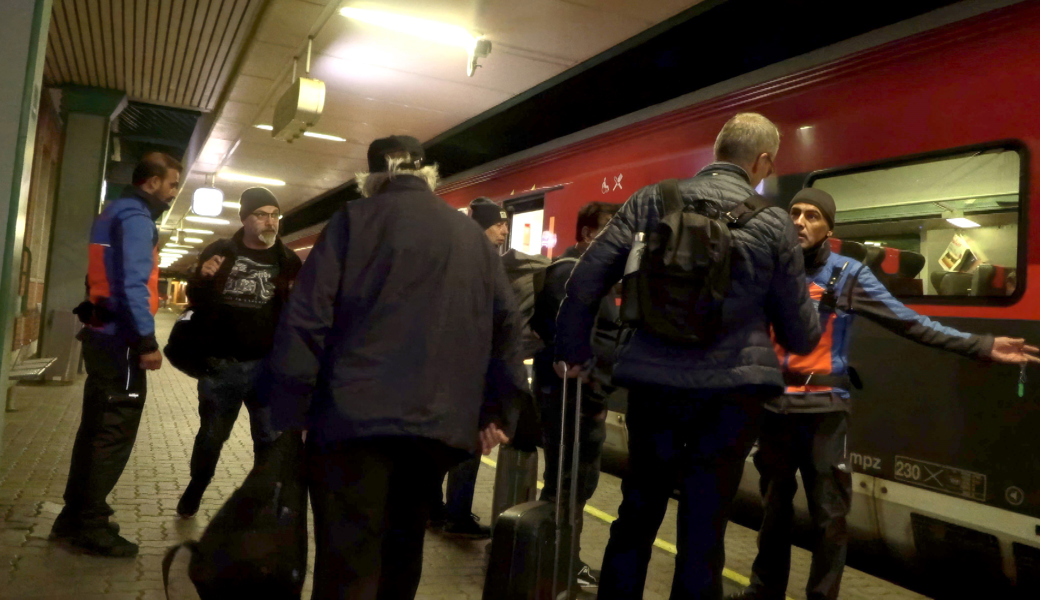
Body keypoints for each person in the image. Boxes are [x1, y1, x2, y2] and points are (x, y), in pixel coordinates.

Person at [555, 113, 822, 598]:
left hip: (655, 388)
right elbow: (801, 336)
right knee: (705, 526)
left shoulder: (651, 199)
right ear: (761, 161)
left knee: (637, 510)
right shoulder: (773, 222)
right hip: (730, 398)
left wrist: (575, 354)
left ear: (718, 149)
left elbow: (585, 282)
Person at [729, 188, 1040, 600]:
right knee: (774, 515)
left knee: (830, 518)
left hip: (824, 413)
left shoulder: (849, 275)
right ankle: (762, 593)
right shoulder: (769, 271)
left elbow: (911, 323)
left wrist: (981, 345)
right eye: (795, 213)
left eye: (813, 216)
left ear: (829, 228)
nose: (801, 222)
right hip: (773, 412)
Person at [256, 135, 523, 600]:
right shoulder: (469, 236)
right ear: (428, 176)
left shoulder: (352, 222)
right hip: (436, 427)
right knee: (404, 547)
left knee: (347, 556)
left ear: (370, 181)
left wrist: (294, 409)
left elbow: (307, 316)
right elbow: (508, 323)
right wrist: (497, 411)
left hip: (352, 422)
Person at [50, 152, 182, 557]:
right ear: (152, 182)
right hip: (121, 340)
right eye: (172, 184)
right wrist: (146, 342)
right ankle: (90, 524)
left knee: (95, 428)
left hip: (101, 332)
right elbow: (133, 284)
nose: (174, 192)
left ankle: (75, 515)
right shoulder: (137, 220)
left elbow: (101, 277)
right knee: (112, 431)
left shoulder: (113, 212)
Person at [175, 187, 302, 518]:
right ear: (244, 218)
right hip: (223, 365)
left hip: (268, 367)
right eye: (261, 214)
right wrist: (200, 278)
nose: (270, 221)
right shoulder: (221, 250)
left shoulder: (287, 260)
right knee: (212, 436)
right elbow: (197, 297)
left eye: (275, 214)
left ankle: (262, 502)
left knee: (269, 441)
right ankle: (197, 486)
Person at [530, 201, 621, 590]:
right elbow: (578, 344)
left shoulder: (574, 273)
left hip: (573, 398)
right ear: (586, 234)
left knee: (572, 485)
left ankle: (562, 560)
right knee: (568, 485)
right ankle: (557, 565)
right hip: (574, 402)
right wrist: (599, 399)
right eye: (608, 228)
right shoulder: (574, 276)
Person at [427, 196, 512, 539]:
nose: (504, 230)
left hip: (447, 368)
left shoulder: (459, 257)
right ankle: (456, 516)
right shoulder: (478, 262)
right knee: (468, 446)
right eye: (498, 224)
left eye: (505, 224)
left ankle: (433, 511)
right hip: (465, 370)